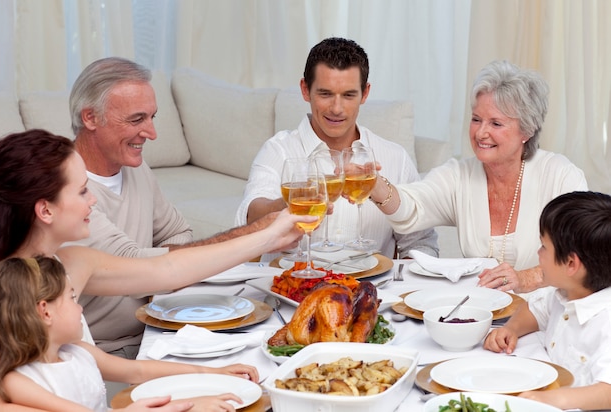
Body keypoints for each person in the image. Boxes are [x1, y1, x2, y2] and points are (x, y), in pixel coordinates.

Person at [0, 129, 313, 412]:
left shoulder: (70, 263)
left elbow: (168, 270)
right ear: (45, 210)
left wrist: (268, 236)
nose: (93, 200)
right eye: (83, 190)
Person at [69, 56, 276, 359]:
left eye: (152, 117)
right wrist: (258, 233)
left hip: (159, 329)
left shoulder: (134, 168)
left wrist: (158, 289)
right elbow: (134, 263)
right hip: (101, 354)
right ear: (90, 118)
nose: (151, 133)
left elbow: (177, 231)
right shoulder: (66, 192)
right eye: (136, 119)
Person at [369, 60, 587, 293]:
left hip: (548, 314)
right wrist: (374, 184)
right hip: (481, 311)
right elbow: (410, 209)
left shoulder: (561, 176)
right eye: (476, 119)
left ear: (527, 130)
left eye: (496, 123)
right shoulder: (458, 175)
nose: (481, 133)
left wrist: (524, 278)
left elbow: (583, 254)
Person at [235, 37, 438, 261]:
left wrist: (404, 288)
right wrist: (299, 196)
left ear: (365, 93)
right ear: (305, 90)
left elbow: (420, 243)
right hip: (293, 292)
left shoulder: (395, 158)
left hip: (372, 293)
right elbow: (250, 219)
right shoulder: (279, 150)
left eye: (349, 95)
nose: (337, 108)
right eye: (325, 94)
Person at [0, 256, 255, 412]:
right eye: (71, 297)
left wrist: (214, 373)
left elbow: (136, 371)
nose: (80, 307)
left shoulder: (77, 351)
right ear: (45, 312)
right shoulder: (17, 380)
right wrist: (190, 406)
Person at [484, 191, 611, 410]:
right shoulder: (565, 292)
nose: (538, 253)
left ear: (571, 264)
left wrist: (557, 399)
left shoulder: (606, 322)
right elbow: (534, 309)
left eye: (544, 246)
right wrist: (512, 329)